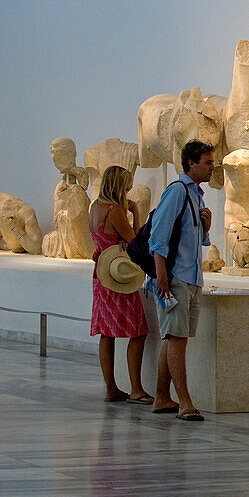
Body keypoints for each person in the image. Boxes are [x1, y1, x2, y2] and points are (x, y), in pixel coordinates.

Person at [149, 140, 214, 421]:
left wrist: (207, 226)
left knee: (175, 338)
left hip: (191, 277)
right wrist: (162, 275)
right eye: (208, 162)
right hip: (176, 278)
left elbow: (193, 239)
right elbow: (158, 237)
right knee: (177, 339)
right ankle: (185, 401)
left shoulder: (196, 195)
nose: (212, 167)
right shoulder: (177, 191)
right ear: (192, 163)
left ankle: (162, 397)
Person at [88, 165, 152, 403]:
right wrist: (136, 214)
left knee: (107, 333)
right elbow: (136, 241)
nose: (129, 188)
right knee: (138, 331)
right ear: (119, 185)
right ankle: (136, 389)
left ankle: (111, 387)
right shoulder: (114, 210)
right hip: (118, 278)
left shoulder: (95, 207)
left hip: (101, 275)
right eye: (127, 184)